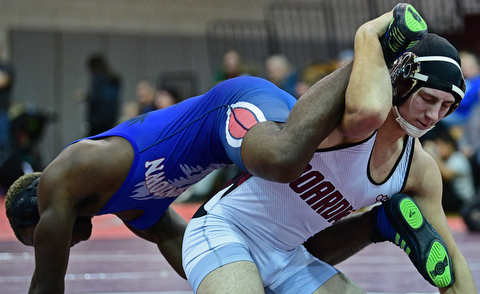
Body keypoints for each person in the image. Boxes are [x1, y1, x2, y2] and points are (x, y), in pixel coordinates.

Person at [4, 20, 354, 294]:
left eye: (36, 239)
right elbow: (191, 249)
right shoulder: (132, 210)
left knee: (284, 163)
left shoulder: (67, 173)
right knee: (306, 218)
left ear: (37, 207)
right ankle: (383, 222)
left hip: (231, 110)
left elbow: (46, 286)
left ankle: (371, 54)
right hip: (246, 139)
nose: (51, 246)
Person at [182, 4, 477, 294]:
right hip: (226, 231)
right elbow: (368, 109)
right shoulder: (353, 123)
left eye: (446, 106)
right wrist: (369, 35)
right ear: (402, 83)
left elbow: (451, 262)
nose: (433, 115)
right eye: (427, 99)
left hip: (288, 257)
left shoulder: (419, 171)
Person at [77, 53, 121, 136]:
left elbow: (96, 99)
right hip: (111, 119)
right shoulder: (114, 79)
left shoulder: (98, 78)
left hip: (97, 120)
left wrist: (86, 96)